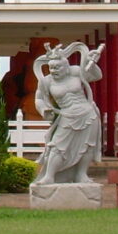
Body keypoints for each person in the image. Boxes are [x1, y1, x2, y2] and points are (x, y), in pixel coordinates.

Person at [32, 41, 103, 185]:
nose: (54, 71)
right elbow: (38, 99)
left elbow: (96, 76)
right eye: (51, 68)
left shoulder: (75, 72)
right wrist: (44, 110)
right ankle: (49, 176)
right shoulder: (46, 82)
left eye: (57, 67)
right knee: (57, 146)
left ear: (66, 66)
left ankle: (81, 175)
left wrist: (91, 62)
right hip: (67, 115)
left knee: (87, 146)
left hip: (88, 113)